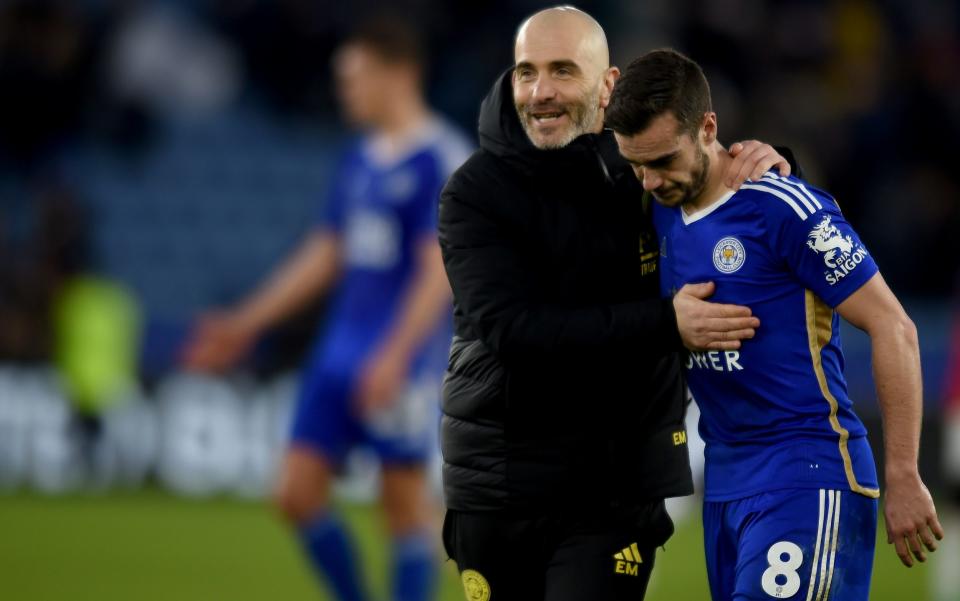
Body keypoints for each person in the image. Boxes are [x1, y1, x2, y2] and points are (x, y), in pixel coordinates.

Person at [437, 7, 792, 600]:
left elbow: (718, 193)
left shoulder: (642, 174)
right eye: (526, 72)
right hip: (501, 486)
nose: (540, 92)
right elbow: (513, 332)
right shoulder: (475, 192)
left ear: (609, 85)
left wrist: (770, 166)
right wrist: (665, 323)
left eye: (562, 71)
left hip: (613, 491)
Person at [606, 48, 944, 600]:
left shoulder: (784, 207)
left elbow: (895, 328)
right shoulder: (656, 211)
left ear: (708, 127)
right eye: (634, 164)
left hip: (808, 469)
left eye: (663, 160)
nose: (648, 180)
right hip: (725, 480)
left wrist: (903, 471)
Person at [183, 20, 471, 601]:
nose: (347, 91)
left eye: (357, 78)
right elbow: (326, 251)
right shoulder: (361, 157)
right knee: (293, 491)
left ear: (400, 73)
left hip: (400, 357)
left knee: (402, 509)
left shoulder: (439, 158)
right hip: (339, 350)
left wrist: (395, 355)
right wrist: (245, 322)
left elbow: (435, 271)